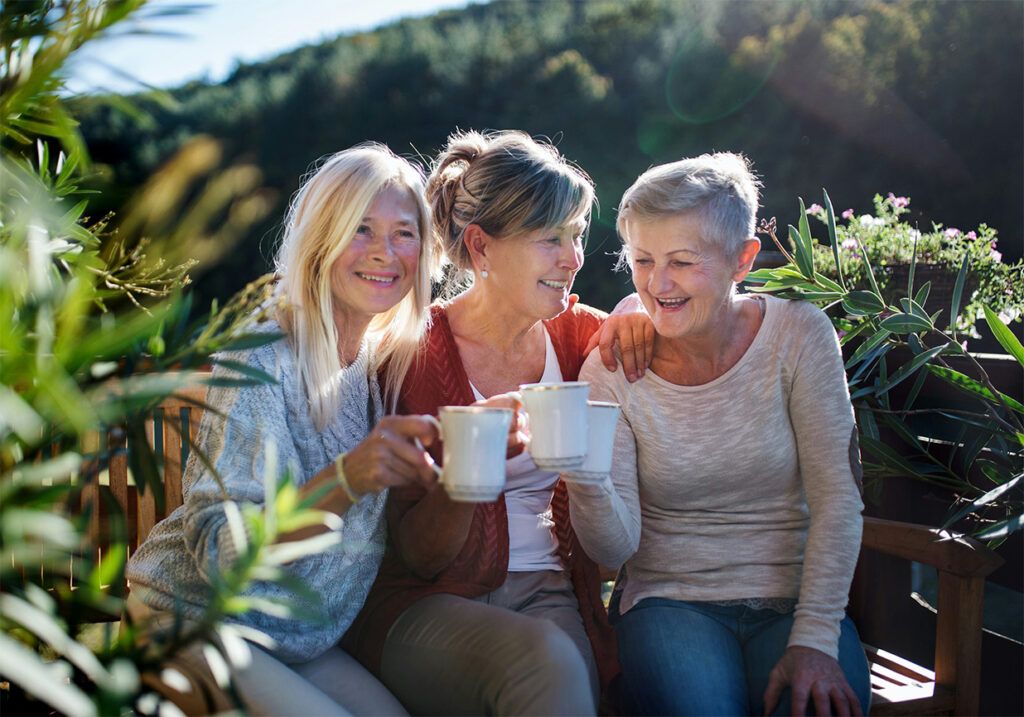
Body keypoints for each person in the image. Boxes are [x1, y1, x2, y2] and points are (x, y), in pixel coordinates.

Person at [125, 144, 449, 716]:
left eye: (404, 233)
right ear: (320, 240)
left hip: (294, 641)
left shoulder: (379, 365)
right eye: (360, 229)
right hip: (193, 620)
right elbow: (223, 556)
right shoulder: (264, 357)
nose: (385, 252)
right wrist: (346, 479)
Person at [343, 130, 652, 716]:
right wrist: (465, 471)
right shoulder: (407, 354)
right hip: (425, 602)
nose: (573, 258)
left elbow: (663, 322)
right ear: (481, 248)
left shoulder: (582, 337)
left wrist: (635, 310)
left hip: (554, 594)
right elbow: (416, 558)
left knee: (570, 676)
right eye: (550, 239)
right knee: (547, 663)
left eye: (577, 235)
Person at [565, 153, 872, 716]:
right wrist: (584, 477)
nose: (658, 284)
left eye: (682, 261)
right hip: (668, 604)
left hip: (795, 607)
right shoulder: (612, 368)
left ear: (742, 259)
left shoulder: (799, 336)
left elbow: (837, 502)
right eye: (642, 261)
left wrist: (814, 640)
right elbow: (616, 546)